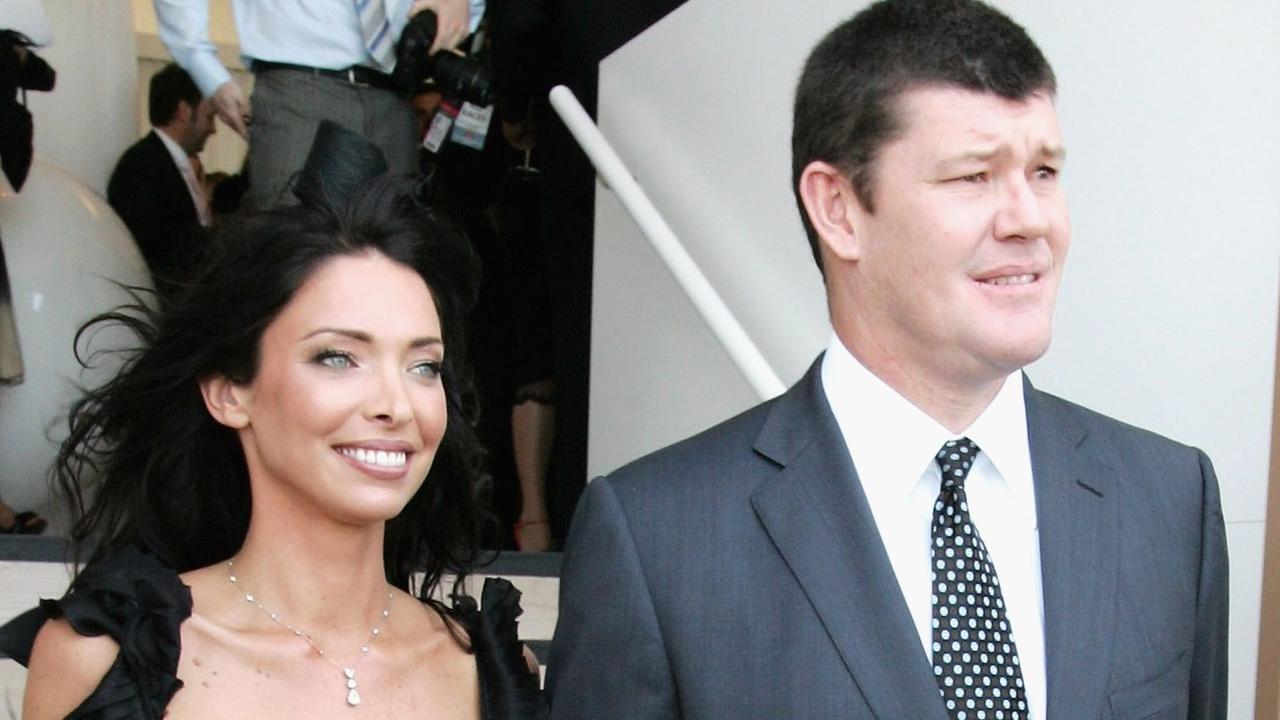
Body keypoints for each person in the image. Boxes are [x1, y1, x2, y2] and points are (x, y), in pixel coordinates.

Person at [546, 1, 1228, 718]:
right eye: (974, 177)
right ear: (838, 208)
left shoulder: (1168, 501)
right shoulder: (662, 543)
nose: (1030, 219)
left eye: (1046, 171)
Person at [0, 122, 545, 719]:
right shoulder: (109, 660)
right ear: (230, 392)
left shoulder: (489, 668)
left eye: (423, 366)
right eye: (338, 357)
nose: (397, 404)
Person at [155, 0, 485, 209]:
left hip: (397, 92)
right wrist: (207, 72)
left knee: (395, 266)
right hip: (299, 89)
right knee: (294, 264)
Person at [107, 63, 215, 294]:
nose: (213, 128)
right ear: (184, 111)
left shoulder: (172, 165)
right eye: (209, 116)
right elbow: (165, 250)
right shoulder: (141, 166)